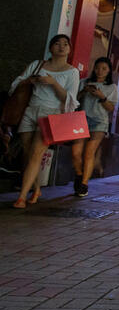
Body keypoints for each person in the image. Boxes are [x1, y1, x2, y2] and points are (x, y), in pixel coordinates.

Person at [10, 35, 80, 208]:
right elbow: (17, 83)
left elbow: (70, 99)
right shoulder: (37, 64)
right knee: (27, 154)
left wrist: (53, 83)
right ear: (50, 48)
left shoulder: (72, 72)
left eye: (65, 44)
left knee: (35, 154)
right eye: (57, 44)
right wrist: (30, 80)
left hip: (51, 114)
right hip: (30, 110)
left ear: (70, 49)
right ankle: (36, 188)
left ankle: (22, 197)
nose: (61, 47)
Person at [74, 57, 117, 197]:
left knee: (89, 152)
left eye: (104, 69)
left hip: (99, 122)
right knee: (75, 152)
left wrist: (101, 96)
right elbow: (73, 100)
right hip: (81, 120)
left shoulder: (111, 87)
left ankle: (84, 184)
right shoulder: (84, 82)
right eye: (98, 68)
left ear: (109, 71)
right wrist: (84, 92)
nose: (100, 71)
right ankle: (80, 175)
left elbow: (111, 108)